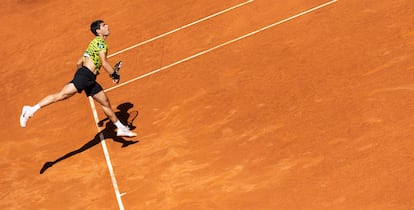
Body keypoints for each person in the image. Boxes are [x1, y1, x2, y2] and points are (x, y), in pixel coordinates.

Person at [20, 20, 136, 137]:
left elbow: (78, 62)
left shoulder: (93, 43)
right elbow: (104, 63)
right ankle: (30, 110)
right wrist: (114, 75)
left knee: (105, 102)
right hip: (85, 76)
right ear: (98, 31)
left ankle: (121, 128)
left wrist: (86, 75)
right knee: (61, 95)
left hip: (87, 78)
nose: (107, 26)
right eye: (103, 25)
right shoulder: (101, 43)